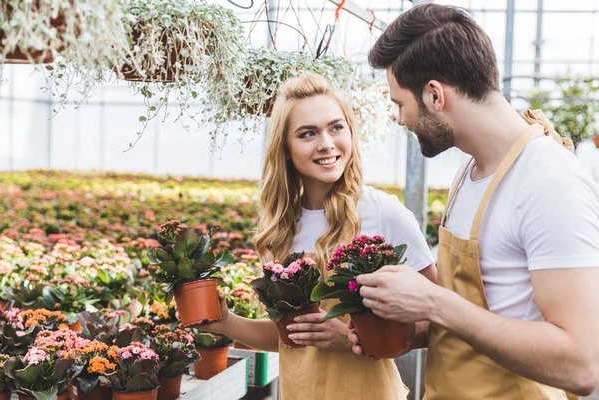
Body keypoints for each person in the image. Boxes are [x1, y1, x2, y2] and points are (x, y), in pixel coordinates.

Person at [349, 4, 599, 399]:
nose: (400, 120)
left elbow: (583, 364)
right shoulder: (469, 174)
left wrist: (433, 302)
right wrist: (386, 328)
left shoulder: (549, 181)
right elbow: (469, 323)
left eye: (400, 103)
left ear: (434, 95)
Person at [199, 73, 436, 399]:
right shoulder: (282, 227)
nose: (326, 143)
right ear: (285, 148)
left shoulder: (383, 212)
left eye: (336, 127)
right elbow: (294, 338)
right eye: (308, 133)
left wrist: (353, 339)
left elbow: (437, 321)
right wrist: (225, 321)